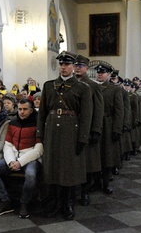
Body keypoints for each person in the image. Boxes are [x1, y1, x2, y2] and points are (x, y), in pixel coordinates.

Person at [37, 51, 93, 220]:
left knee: (68, 169)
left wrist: (83, 137)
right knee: (53, 167)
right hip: (52, 130)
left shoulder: (83, 88)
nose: (63, 67)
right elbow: (43, 113)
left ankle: (68, 203)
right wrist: (40, 134)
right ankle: (55, 202)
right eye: (61, 64)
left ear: (73, 66)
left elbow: (86, 115)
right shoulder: (48, 86)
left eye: (67, 64)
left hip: (71, 130)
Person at [0, 99, 43, 218]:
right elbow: (8, 145)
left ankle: (24, 203)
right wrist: (11, 161)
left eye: (25, 109)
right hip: (13, 157)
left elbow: (38, 149)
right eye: (20, 109)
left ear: (31, 110)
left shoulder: (38, 123)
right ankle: (5, 200)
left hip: (30, 159)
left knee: (31, 175)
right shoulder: (13, 122)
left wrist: (20, 162)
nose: (21, 112)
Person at [74, 55, 104, 205]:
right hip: (72, 130)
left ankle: (85, 192)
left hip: (88, 128)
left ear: (86, 68)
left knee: (88, 163)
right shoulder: (70, 84)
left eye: (81, 66)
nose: (78, 68)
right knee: (74, 163)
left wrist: (96, 130)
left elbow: (98, 110)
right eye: (76, 65)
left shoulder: (93, 86)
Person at [94, 61, 123, 195]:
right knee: (94, 155)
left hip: (108, 124)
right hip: (93, 124)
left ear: (109, 74)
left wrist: (117, 129)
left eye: (103, 73)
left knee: (107, 156)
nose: (100, 75)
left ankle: (105, 183)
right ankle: (94, 182)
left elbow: (119, 111)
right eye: (98, 72)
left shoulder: (115, 89)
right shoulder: (91, 87)